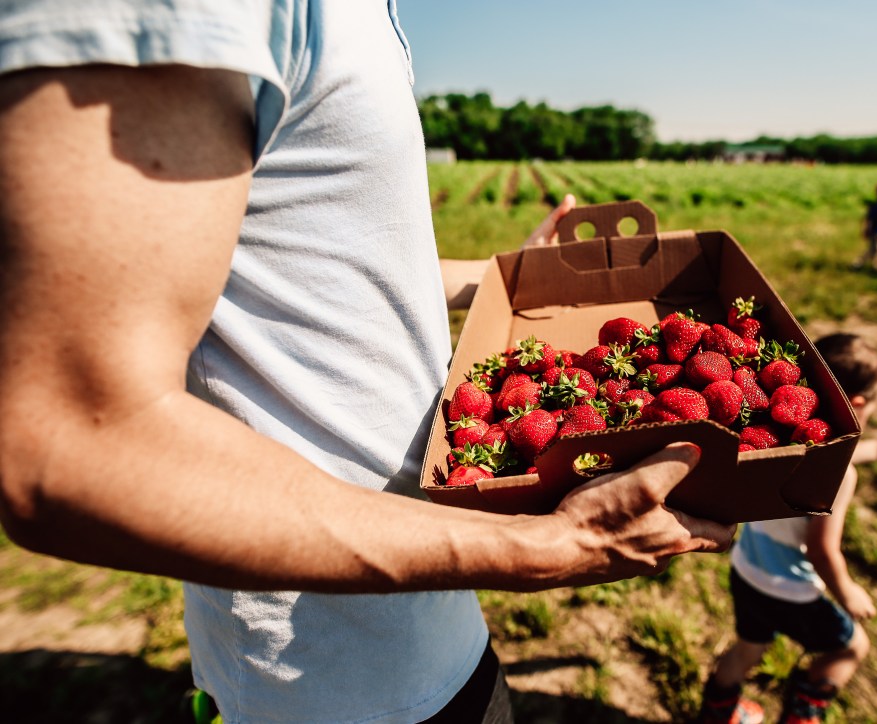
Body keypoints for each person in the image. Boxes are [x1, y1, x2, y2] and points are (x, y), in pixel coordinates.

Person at [0, 2, 737, 722]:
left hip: (421, 617)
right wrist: (545, 547)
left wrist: (504, 280)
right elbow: (72, 444)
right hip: (323, 673)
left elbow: (320, 263)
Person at [696, 333, 877, 724]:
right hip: (793, 592)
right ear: (859, 405)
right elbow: (821, 550)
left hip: (749, 570)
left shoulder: (775, 437)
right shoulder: (840, 477)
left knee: (748, 649)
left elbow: (828, 450)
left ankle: (718, 715)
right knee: (851, 649)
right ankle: (801, 716)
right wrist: (847, 591)